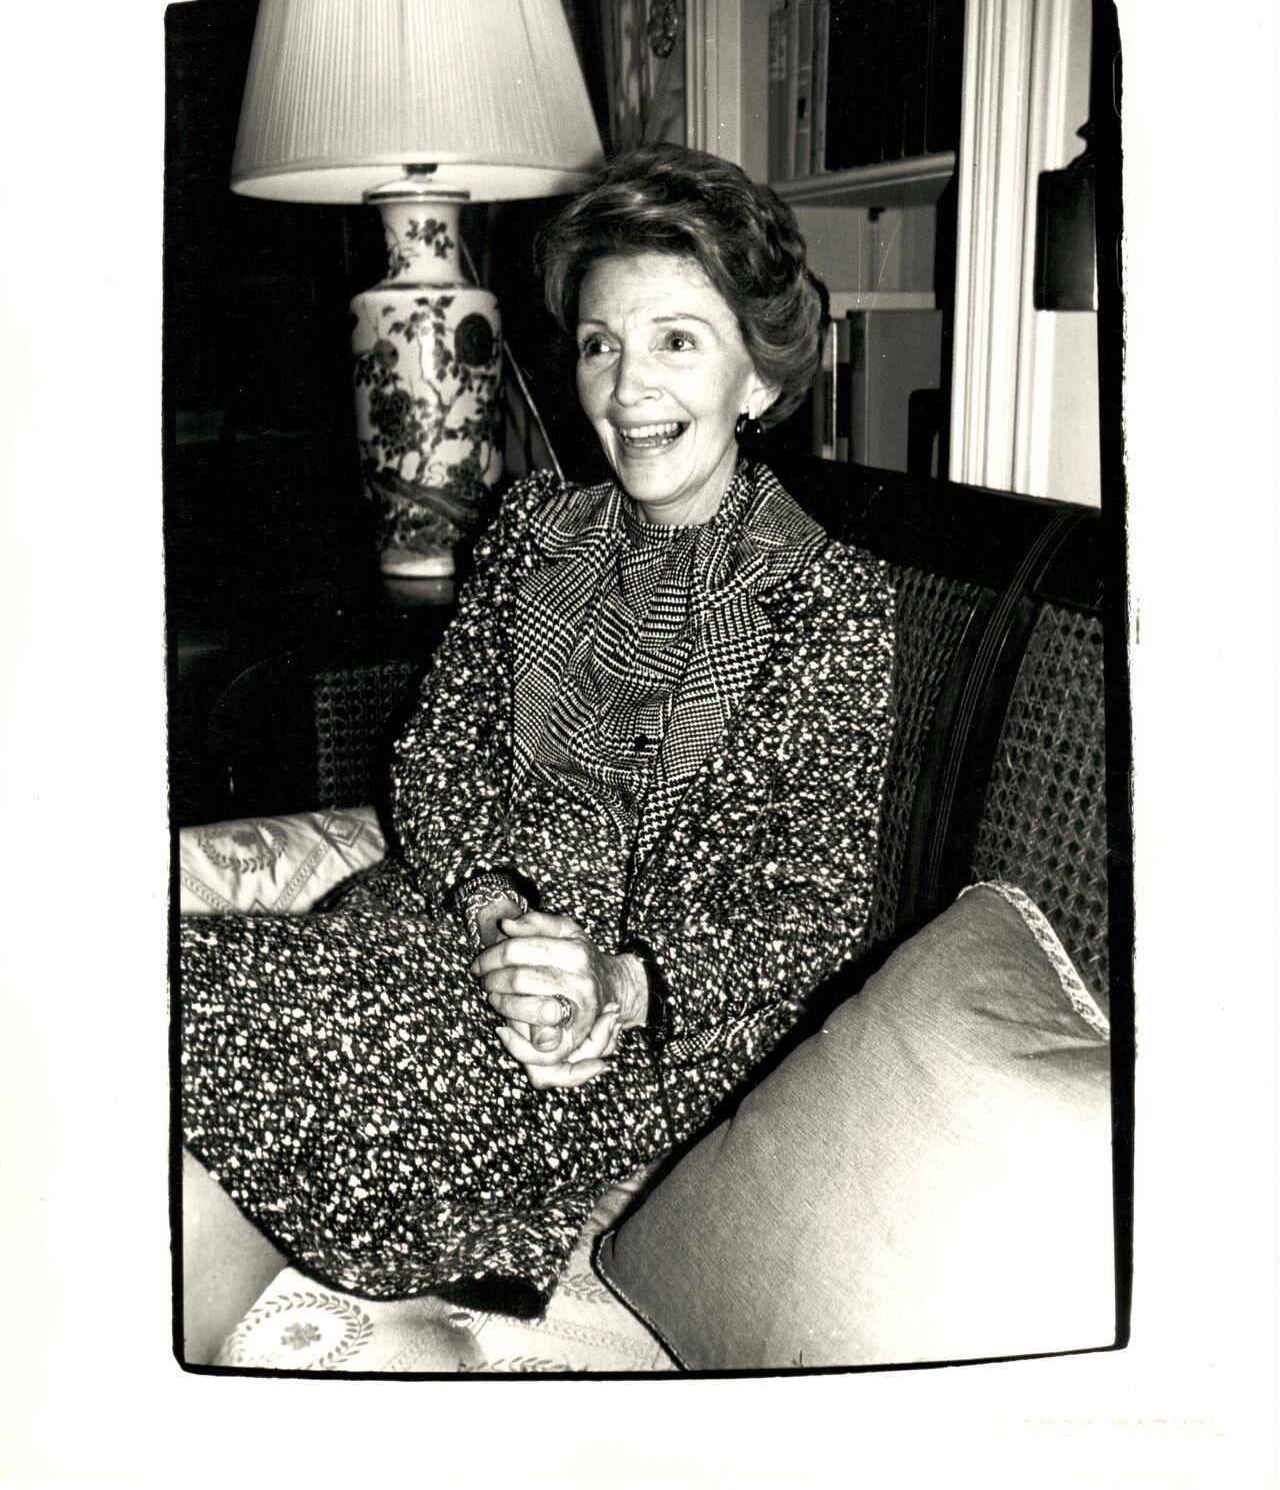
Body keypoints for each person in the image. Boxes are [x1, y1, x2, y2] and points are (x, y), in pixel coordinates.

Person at [179, 143, 896, 1364]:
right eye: (600, 343)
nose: (626, 385)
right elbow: (435, 761)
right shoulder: (532, 529)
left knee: (193, 1018)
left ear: (760, 376)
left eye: (677, 341)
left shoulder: (825, 600)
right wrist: (492, 909)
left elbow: (805, 903)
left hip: (621, 1038)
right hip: (440, 929)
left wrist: (613, 983)